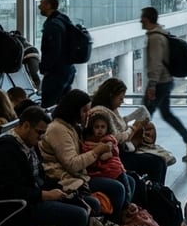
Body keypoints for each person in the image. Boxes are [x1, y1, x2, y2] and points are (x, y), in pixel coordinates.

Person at [40, 89, 127, 218]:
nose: (88, 114)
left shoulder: (72, 126)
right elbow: (72, 164)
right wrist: (97, 151)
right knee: (117, 188)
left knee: (127, 178)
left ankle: (123, 220)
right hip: (65, 178)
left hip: (81, 174)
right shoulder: (57, 129)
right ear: (74, 110)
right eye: (84, 111)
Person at [140, 6, 187, 161]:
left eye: (142, 17)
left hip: (159, 83)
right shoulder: (162, 34)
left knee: (144, 115)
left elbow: (156, 63)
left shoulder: (155, 37)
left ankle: (138, 145)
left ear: (147, 19)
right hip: (166, 81)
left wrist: (152, 85)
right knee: (166, 114)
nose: (140, 20)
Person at [90, 78, 169, 185]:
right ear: (111, 96)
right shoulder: (101, 112)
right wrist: (133, 128)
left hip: (120, 152)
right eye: (120, 98)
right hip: (114, 156)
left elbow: (118, 128)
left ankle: (156, 192)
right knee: (157, 163)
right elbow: (115, 137)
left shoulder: (111, 109)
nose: (122, 102)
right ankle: (154, 194)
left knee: (160, 161)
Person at [82, 109, 134, 204]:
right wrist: (102, 152)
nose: (100, 129)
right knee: (122, 187)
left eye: (103, 127)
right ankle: (126, 207)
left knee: (130, 182)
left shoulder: (109, 139)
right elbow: (96, 157)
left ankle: (127, 206)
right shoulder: (88, 142)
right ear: (91, 128)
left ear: (107, 128)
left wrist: (105, 152)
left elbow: (113, 151)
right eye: (97, 127)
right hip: (100, 171)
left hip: (115, 168)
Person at [38, 0, 75, 107]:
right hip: (67, 70)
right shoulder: (63, 19)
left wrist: (44, 68)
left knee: (48, 106)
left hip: (56, 73)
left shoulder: (52, 25)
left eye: (42, 3)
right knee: (64, 106)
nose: (39, 6)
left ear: (49, 5)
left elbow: (54, 51)